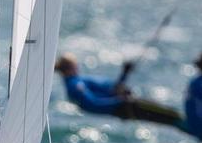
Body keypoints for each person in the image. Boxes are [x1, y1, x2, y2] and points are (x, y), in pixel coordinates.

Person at [54, 53, 184, 129]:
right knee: (171, 116)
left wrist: (124, 73)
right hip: (123, 108)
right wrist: (119, 101)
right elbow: (92, 104)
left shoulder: (78, 81)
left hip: (123, 105)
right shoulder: (75, 85)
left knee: (170, 116)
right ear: (71, 67)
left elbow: (112, 90)